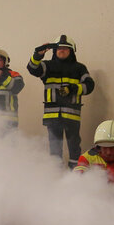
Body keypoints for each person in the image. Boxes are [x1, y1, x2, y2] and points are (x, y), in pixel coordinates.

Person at [27, 34, 95, 167]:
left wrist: (73, 88)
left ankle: (75, 176)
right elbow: (32, 68)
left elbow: (90, 85)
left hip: (72, 117)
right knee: (54, 150)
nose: (61, 50)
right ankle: (55, 177)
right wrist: (38, 55)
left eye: (65, 48)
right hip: (52, 117)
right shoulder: (47, 66)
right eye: (59, 48)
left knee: (74, 149)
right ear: (54, 51)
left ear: (71, 51)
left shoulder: (79, 68)